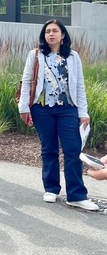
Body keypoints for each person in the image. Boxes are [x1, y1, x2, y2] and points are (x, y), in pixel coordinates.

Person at [18, 19, 99, 210]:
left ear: (63, 35)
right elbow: (27, 80)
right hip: (42, 108)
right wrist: (24, 107)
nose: (51, 34)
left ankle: (76, 195)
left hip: (68, 109)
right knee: (49, 149)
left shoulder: (73, 56)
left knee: (72, 150)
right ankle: (51, 189)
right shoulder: (35, 55)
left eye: (55, 31)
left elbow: (79, 85)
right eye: (47, 32)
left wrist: (83, 112)